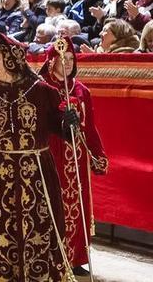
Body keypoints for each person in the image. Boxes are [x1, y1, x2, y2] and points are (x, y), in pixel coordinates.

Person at [0, 33, 75, 281]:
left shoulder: (44, 92)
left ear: (12, 60)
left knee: (41, 228)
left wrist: (71, 124)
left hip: (37, 175)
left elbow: (65, 132)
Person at [40, 37, 108, 275]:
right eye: (62, 59)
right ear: (51, 62)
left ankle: (74, 257)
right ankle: (50, 258)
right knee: (52, 204)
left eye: (71, 59)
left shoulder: (82, 90)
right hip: (52, 155)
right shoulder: (41, 89)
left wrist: (97, 154)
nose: (67, 63)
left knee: (76, 205)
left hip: (76, 157)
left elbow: (90, 128)